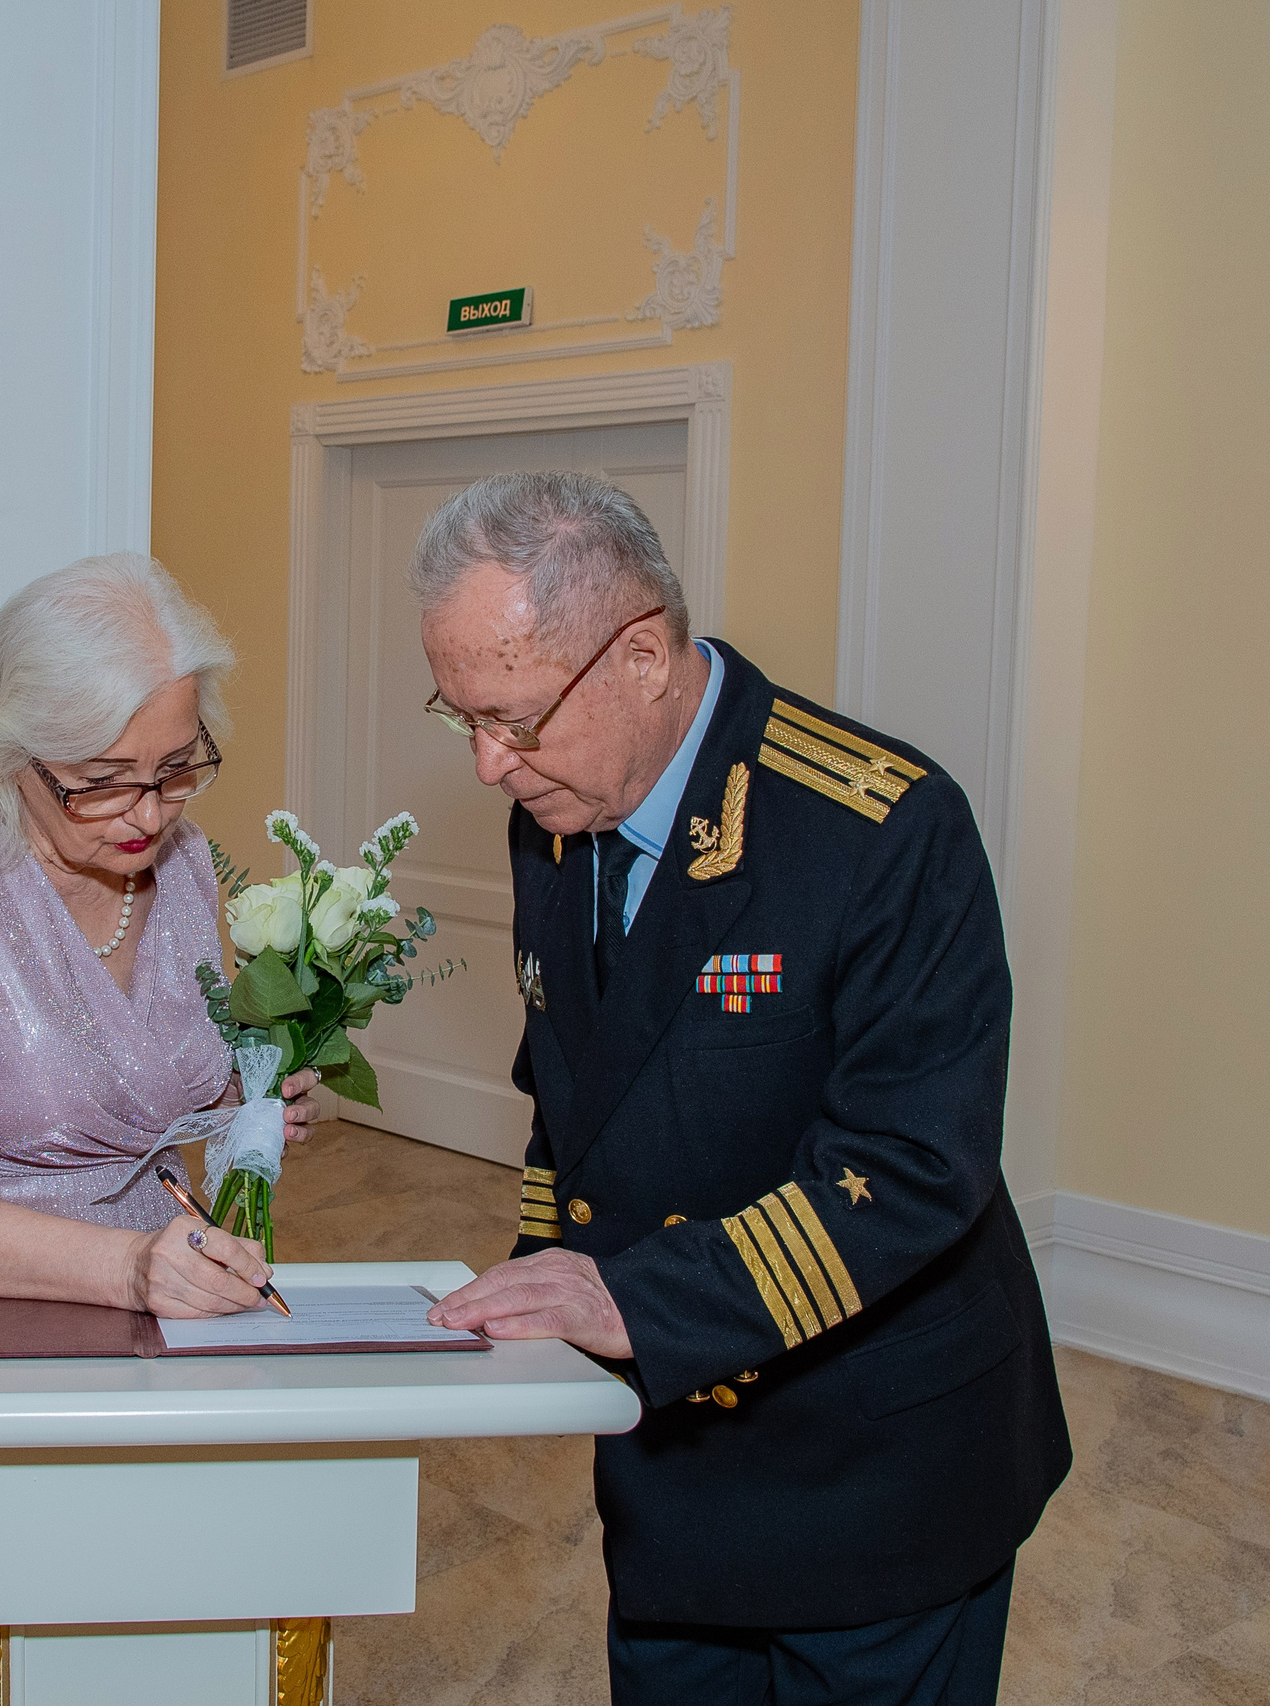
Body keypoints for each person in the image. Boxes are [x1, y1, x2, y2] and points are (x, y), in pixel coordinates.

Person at [414, 473, 1071, 1706]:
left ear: (645, 653)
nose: (492, 763)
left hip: (877, 1469)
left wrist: (625, 1299)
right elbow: (571, 1092)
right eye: (462, 718)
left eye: (515, 717)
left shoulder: (877, 827)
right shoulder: (557, 807)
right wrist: (546, 1277)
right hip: (674, 1467)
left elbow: (913, 1164)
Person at [0, 553, 316, 1706]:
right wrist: (131, 1267)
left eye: (178, 767)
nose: (147, 813)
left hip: (156, 1324)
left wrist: (242, 1111)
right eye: (103, 780)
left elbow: (141, 1086)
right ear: (6, 754)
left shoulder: (175, 863)